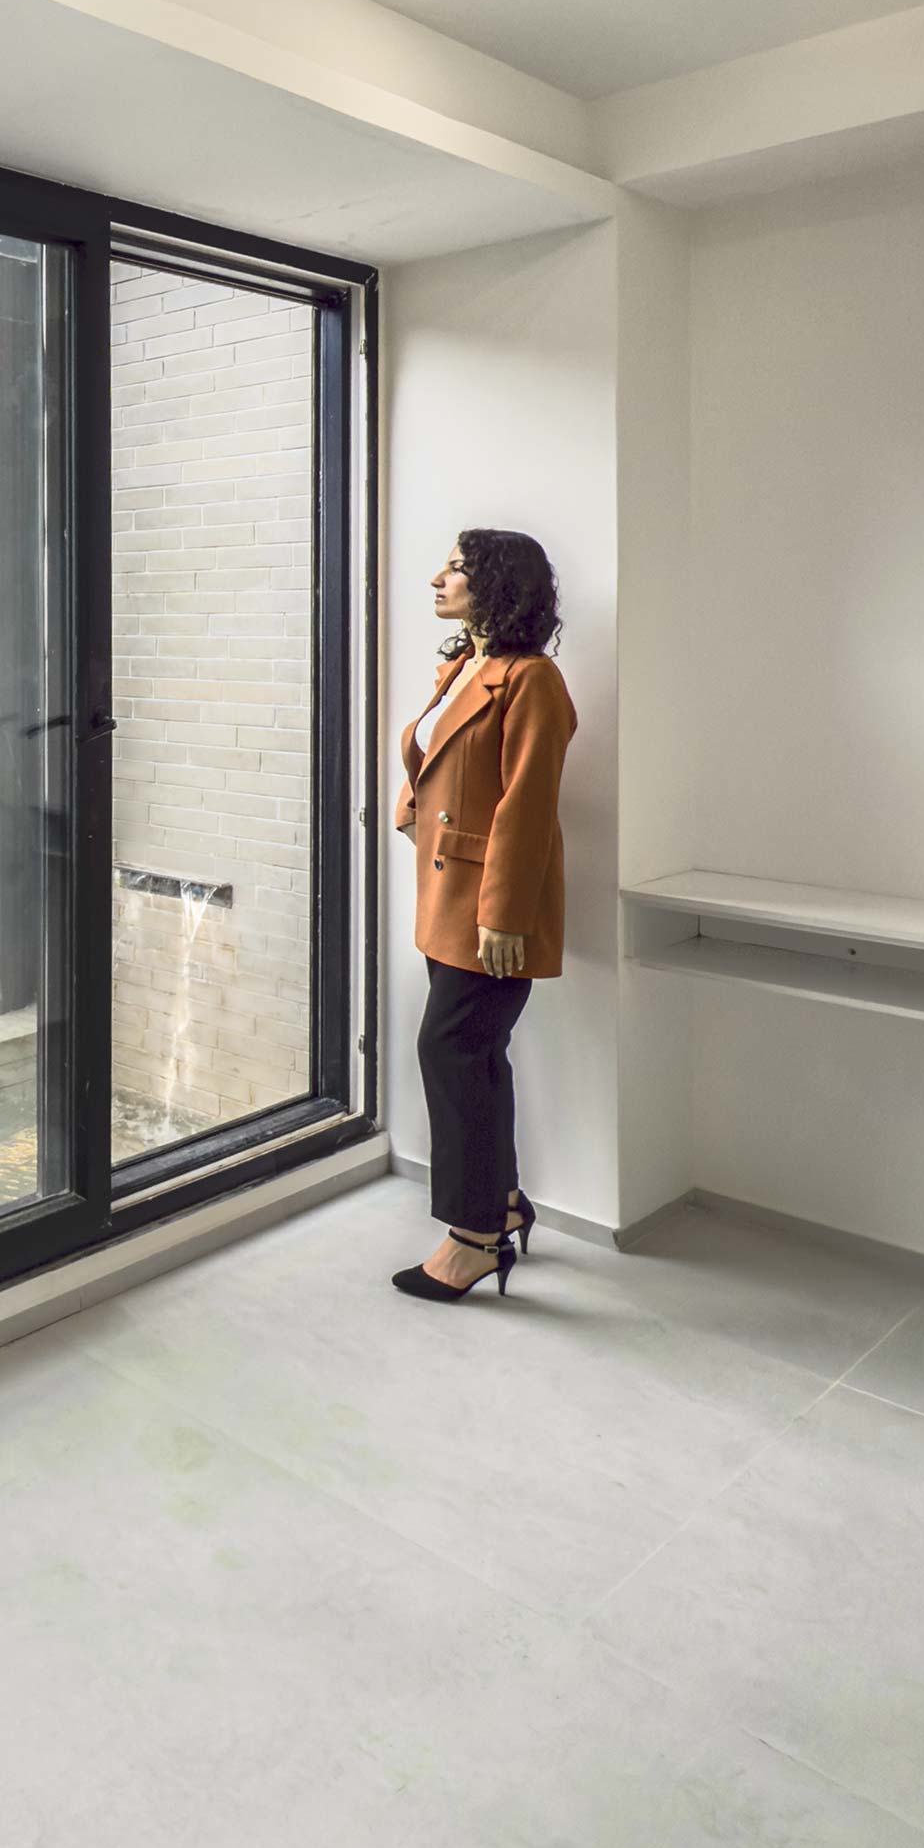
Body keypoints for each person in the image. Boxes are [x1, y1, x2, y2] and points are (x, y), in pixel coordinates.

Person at [391, 529, 577, 1302]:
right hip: (446, 898)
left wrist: (502, 915)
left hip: (489, 909)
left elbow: (526, 806)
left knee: (451, 1052)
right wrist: (408, 810)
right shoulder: (466, 665)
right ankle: (499, 1205)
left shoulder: (532, 680)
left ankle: (472, 1241)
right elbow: (434, 758)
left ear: (496, 583)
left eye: (457, 569)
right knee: (475, 1055)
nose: (438, 579)